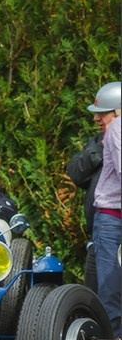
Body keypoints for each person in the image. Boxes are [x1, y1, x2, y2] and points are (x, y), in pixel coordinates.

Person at [86, 81, 121, 340]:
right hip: (112, 219)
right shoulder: (116, 131)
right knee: (111, 301)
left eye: (102, 113)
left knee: (111, 301)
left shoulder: (118, 128)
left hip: (113, 222)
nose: (98, 119)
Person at [68, 82, 118, 289]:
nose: (96, 118)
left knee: (112, 295)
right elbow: (76, 173)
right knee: (94, 294)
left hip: (114, 228)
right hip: (99, 231)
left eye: (103, 113)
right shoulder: (97, 141)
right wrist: (99, 151)